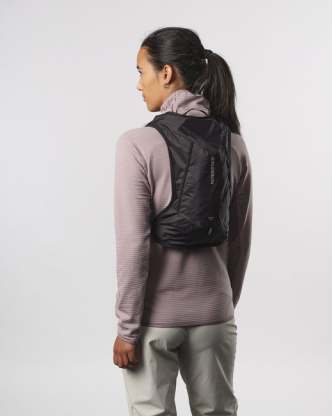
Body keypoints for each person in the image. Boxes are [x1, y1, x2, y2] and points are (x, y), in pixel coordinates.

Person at [112, 26, 252, 416]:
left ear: (166, 73)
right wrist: (220, 304)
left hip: (154, 321)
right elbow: (240, 240)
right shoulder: (234, 143)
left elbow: (133, 246)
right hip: (216, 317)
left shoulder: (136, 144)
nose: (138, 84)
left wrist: (127, 328)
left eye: (141, 72)